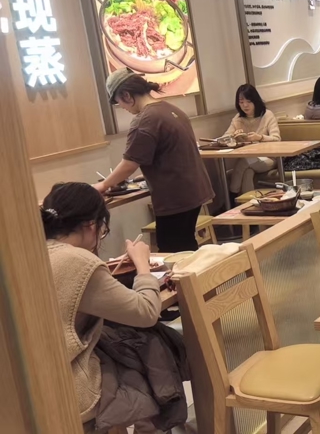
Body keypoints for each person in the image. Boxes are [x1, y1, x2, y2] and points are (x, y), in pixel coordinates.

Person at [42, 182, 162, 433]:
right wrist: (142, 265)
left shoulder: (32, 252)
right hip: (69, 384)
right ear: (91, 225)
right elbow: (146, 312)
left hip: (30, 380)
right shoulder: (79, 261)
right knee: (153, 348)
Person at [94, 69, 214, 253]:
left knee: (174, 253)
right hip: (194, 191)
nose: (123, 107)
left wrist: (103, 185)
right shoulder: (170, 109)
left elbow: (129, 163)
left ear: (127, 95)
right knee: (186, 245)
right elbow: (172, 154)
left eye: (119, 102)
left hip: (176, 198)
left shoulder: (145, 119)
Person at [225, 84, 282, 200]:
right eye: (241, 102)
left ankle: (231, 195)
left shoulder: (267, 115)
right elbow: (225, 137)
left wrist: (260, 137)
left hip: (269, 158)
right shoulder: (238, 119)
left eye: (248, 101)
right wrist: (234, 136)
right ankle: (248, 203)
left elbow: (277, 138)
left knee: (243, 162)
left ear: (255, 101)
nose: (245, 105)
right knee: (248, 172)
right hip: (250, 160)